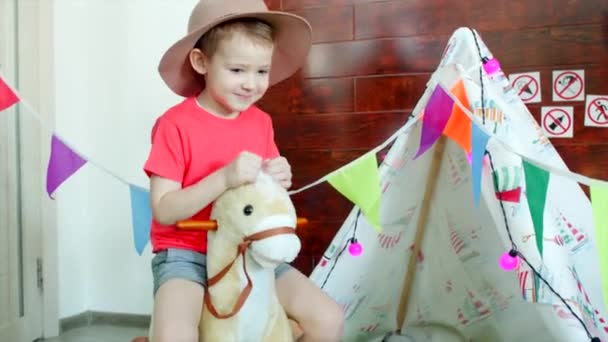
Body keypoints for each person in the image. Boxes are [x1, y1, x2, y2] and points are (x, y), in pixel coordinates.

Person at [142, 1, 345, 341]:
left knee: (328, 319)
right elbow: (164, 209)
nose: (251, 84)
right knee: (174, 334)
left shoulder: (260, 123)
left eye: (261, 71)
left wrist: (278, 179)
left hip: (251, 249)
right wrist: (223, 178)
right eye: (237, 70)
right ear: (201, 62)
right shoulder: (175, 125)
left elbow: (265, 198)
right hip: (186, 253)